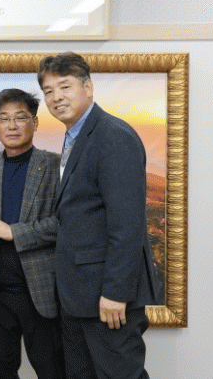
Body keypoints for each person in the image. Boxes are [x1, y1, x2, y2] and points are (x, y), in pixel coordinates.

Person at [38, 52, 159, 379]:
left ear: (88, 87)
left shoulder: (112, 135)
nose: (56, 97)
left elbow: (127, 224)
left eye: (65, 86)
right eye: (48, 91)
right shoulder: (75, 136)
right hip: (79, 298)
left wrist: (116, 293)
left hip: (107, 299)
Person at [0, 89, 65, 379]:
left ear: (35, 123)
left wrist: (15, 232)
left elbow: (65, 224)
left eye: (20, 118)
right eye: (4, 119)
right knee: (0, 373)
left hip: (41, 292)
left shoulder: (55, 166)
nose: (12, 126)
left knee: (53, 372)